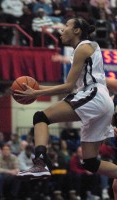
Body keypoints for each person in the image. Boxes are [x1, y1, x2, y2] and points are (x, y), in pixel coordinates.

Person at [15, 17, 117, 186]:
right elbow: (71, 85)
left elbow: (68, 86)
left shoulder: (84, 47)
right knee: (90, 162)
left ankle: (40, 163)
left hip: (94, 95)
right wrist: (38, 88)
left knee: (40, 117)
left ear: (77, 30)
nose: (61, 30)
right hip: (101, 100)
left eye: (66, 26)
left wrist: (37, 93)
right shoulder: (83, 49)